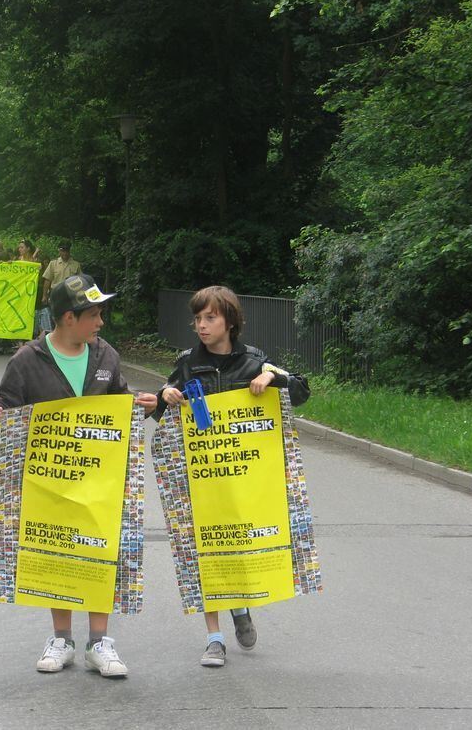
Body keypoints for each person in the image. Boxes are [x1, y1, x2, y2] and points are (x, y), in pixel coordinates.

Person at [0, 273, 158, 678]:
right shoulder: (27, 360)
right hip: (50, 481)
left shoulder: (105, 355)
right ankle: (62, 639)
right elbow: (3, 409)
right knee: (56, 553)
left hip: (100, 478)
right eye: (93, 314)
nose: (101, 322)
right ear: (67, 318)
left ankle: (100, 642)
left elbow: (119, 401)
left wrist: (139, 404)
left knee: (100, 550)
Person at [153, 285, 310, 669]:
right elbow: (162, 408)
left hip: (244, 478)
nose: (201, 326)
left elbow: (302, 390)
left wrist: (274, 380)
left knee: (237, 545)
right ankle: (215, 638)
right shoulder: (189, 360)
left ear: (230, 321)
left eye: (210, 318)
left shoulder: (255, 361)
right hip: (202, 476)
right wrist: (166, 394)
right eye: (198, 319)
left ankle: (240, 608)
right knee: (205, 550)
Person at [41, 241, 82, 306]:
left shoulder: (76, 264)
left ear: (69, 251)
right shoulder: (53, 263)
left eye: (67, 251)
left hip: (70, 295)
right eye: (63, 251)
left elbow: (80, 282)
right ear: (59, 251)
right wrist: (44, 296)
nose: (65, 253)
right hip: (55, 294)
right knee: (55, 315)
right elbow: (47, 280)